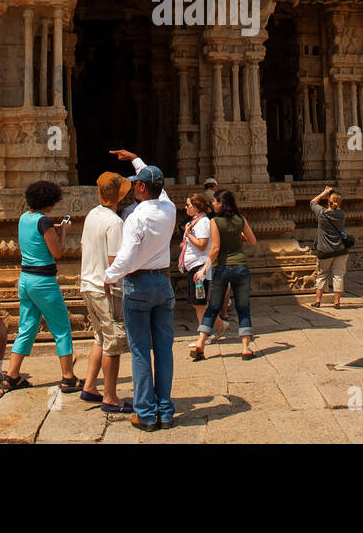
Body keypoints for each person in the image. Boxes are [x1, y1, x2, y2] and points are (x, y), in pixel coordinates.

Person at [104, 149, 177, 431]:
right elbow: (163, 190)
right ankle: (165, 410)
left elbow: (127, 257)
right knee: (164, 350)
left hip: (138, 284)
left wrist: (109, 277)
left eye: (136, 182)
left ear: (143, 187)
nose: (133, 186)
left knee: (139, 351)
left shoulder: (135, 217)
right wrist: (137, 160)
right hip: (163, 283)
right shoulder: (169, 209)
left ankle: (146, 413)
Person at [1, 180, 81, 392]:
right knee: (61, 327)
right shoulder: (44, 222)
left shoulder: (24, 219)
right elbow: (57, 252)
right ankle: (68, 376)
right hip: (43, 282)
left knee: (26, 328)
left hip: (25, 280)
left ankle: (11, 375)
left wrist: (52, 228)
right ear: (49, 201)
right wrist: (63, 232)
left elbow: (36, 235)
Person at [78, 171, 134, 413]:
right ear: (119, 197)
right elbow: (114, 261)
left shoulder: (92, 214)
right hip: (106, 289)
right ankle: (110, 397)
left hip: (88, 284)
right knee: (113, 342)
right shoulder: (115, 223)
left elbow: (82, 247)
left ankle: (90, 386)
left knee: (100, 337)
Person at [189, 189, 258, 361]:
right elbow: (253, 240)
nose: (212, 204)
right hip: (241, 267)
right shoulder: (240, 219)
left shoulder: (215, 222)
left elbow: (215, 249)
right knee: (243, 308)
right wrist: (236, 235)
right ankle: (246, 348)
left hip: (222, 268)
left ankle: (200, 342)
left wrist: (204, 269)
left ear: (222, 203)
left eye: (214, 201)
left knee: (213, 307)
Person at [180, 192, 224, 339]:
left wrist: (187, 234)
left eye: (188, 205)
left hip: (200, 268)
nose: (185, 207)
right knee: (198, 302)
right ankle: (219, 325)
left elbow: (202, 244)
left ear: (197, 207)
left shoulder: (203, 222)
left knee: (200, 303)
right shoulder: (195, 222)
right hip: (195, 266)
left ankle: (204, 336)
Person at [309, 186, 349, 309]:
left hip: (325, 250)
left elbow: (312, 202)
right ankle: (336, 302)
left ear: (328, 202)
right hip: (340, 249)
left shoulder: (322, 213)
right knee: (338, 276)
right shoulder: (342, 215)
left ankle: (318, 301)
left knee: (322, 275)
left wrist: (324, 192)